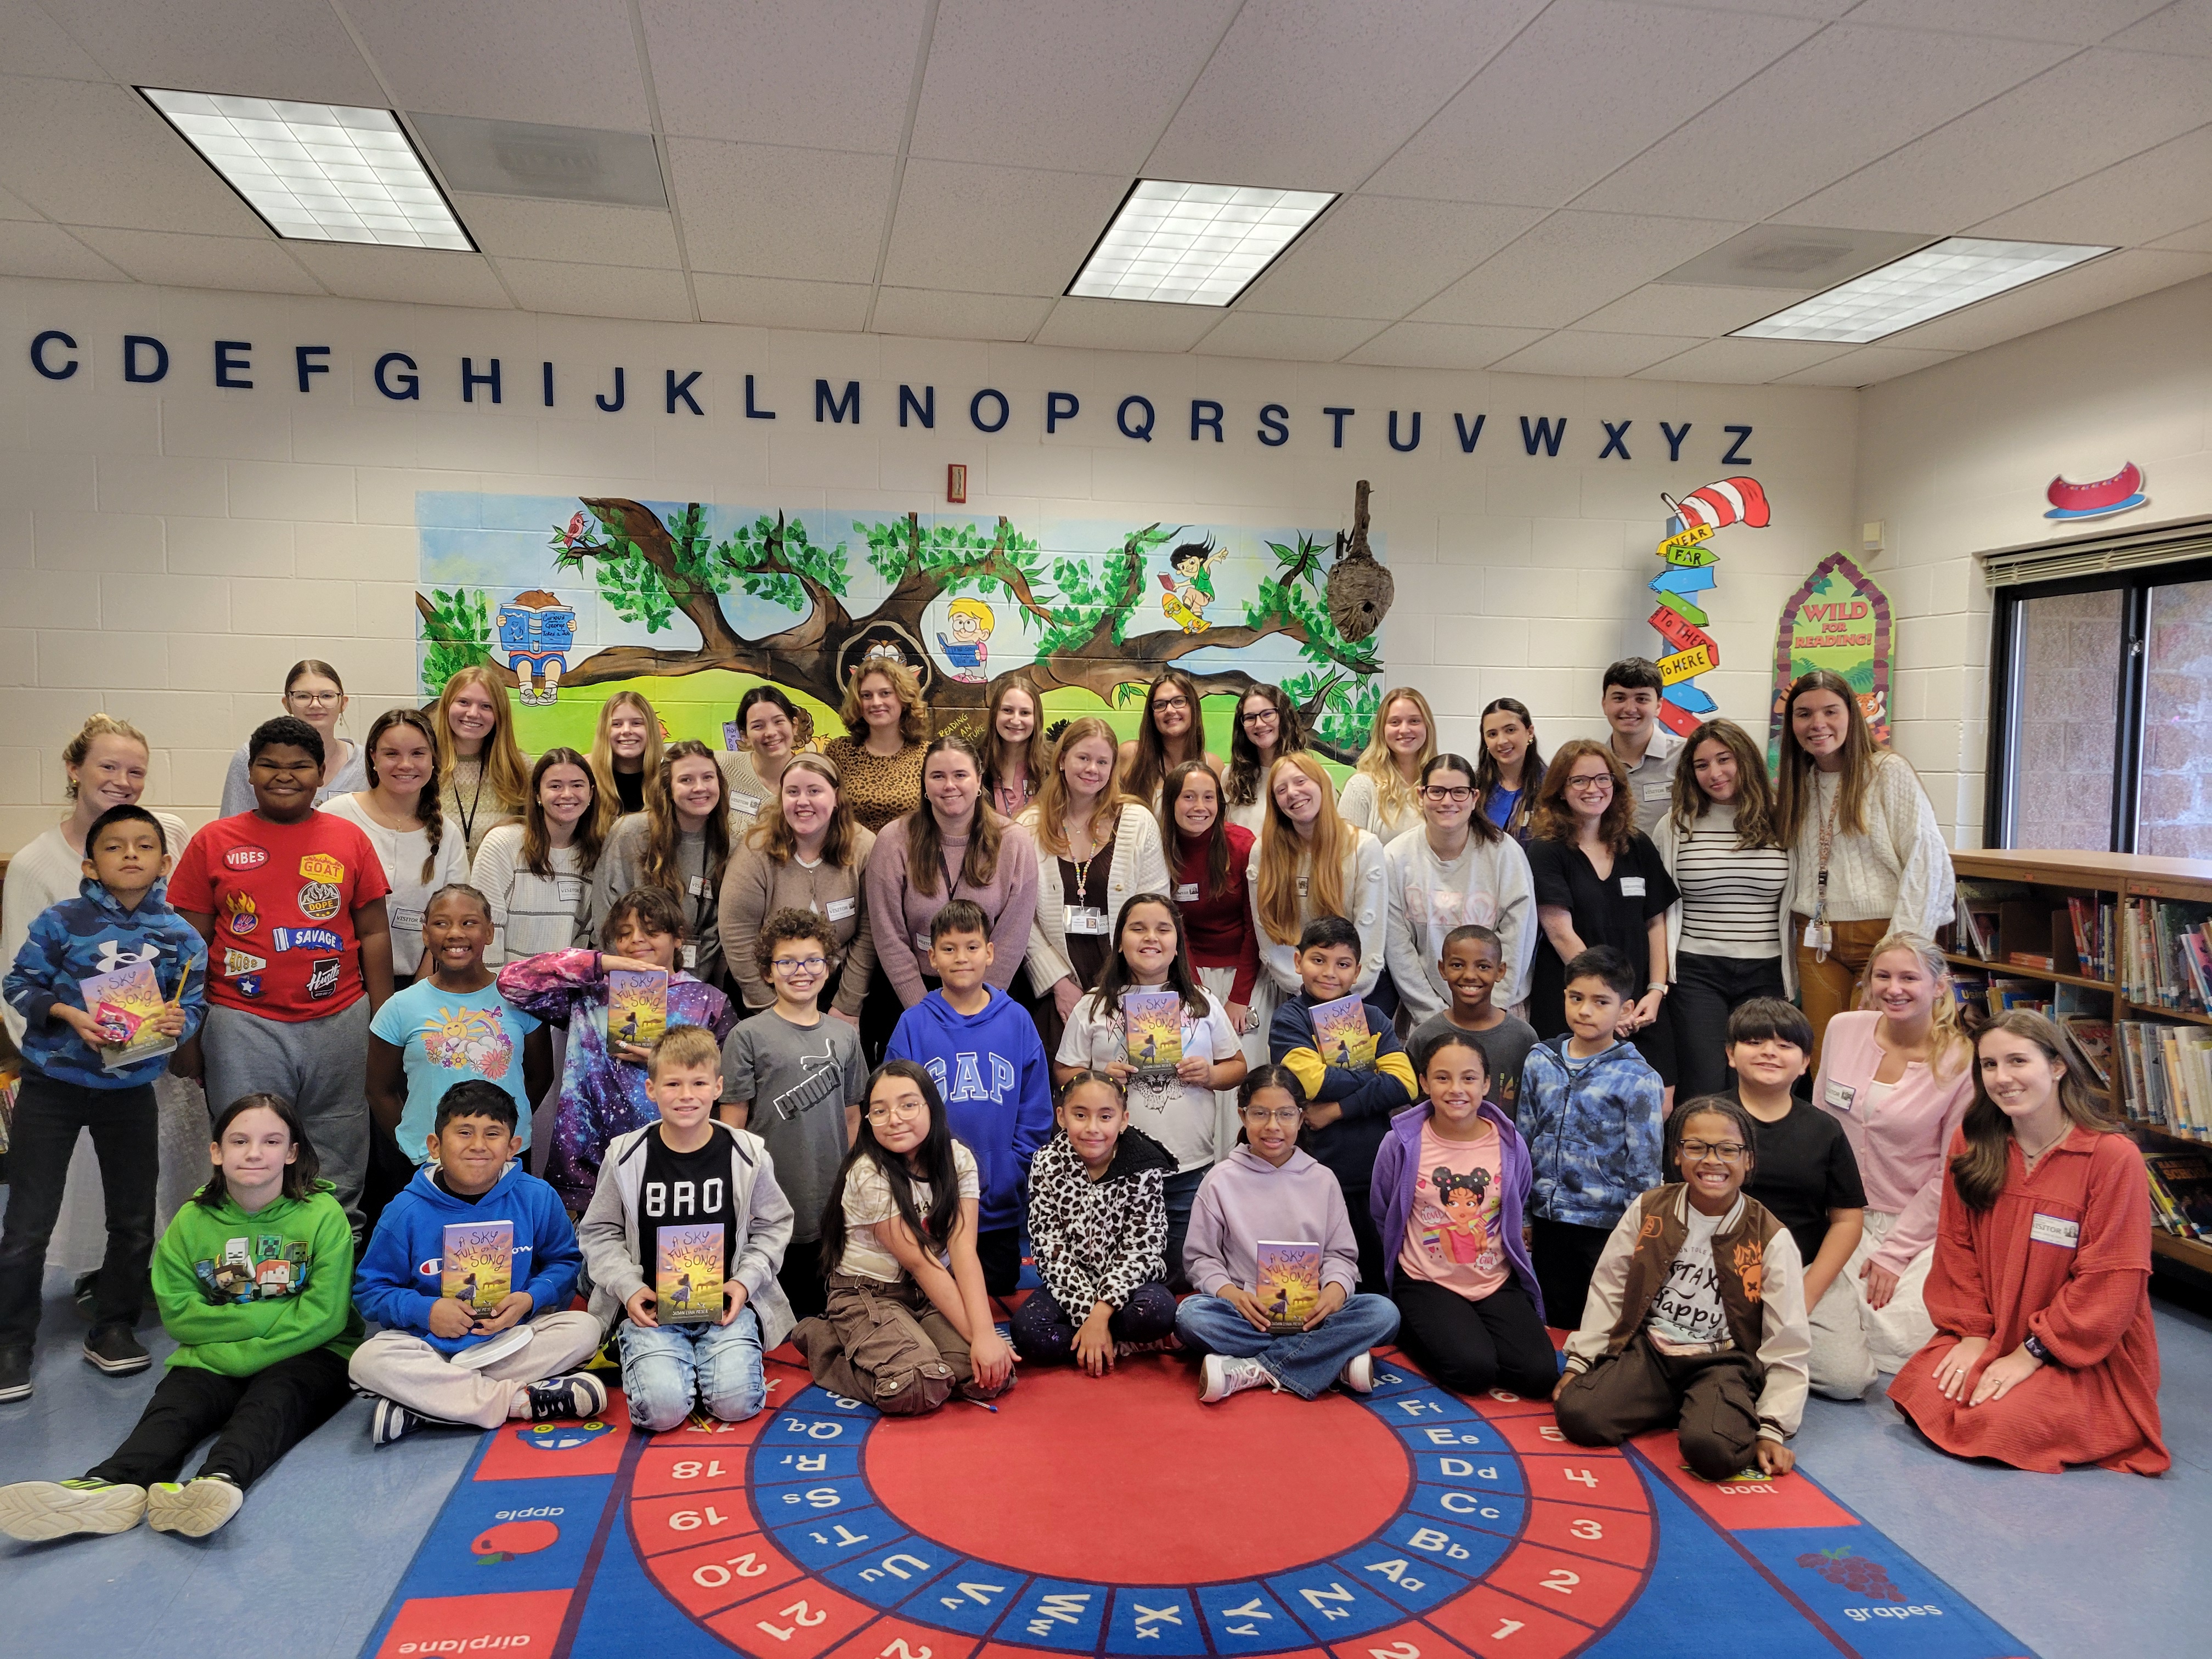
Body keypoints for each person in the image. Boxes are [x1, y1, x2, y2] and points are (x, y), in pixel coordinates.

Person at [0, 1094, 360, 1541]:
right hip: (212, 1356)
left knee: (271, 1405)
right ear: (216, 1152)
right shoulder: (192, 1221)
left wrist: (239, 1347)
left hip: (311, 1353)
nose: (253, 1152)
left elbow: (324, 1316)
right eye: (239, 1140)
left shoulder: (323, 1215)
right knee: (173, 1412)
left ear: (291, 1153)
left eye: (271, 1141)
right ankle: (110, 1485)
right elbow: (182, 1318)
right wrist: (264, 1326)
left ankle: (215, 1483)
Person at [1887, 1012, 2167, 1475]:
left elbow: (2111, 1281)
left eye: (2018, 1061)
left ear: (2057, 1066)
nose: (2003, 1078)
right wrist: (1975, 1335)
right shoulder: (1973, 1141)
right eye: (1990, 1065)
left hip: (2080, 1351)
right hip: (1995, 1330)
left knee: (1999, 1425)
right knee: (1922, 1392)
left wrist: (2030, 1355)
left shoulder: (2112, 1157)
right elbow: (1956, 1248)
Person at [0, 804, 207, 1396]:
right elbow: (19, 986)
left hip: (130, 1089)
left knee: (135, 1219)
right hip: (53, 1087)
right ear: (91, 863)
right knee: (26, 1223)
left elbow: (192, 1004)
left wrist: (176, 1020)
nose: (132, 855)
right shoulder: (61, 921)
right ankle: (11, 1340)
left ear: (165, 861)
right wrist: (68, 1013)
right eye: (115, 847)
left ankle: (113, 1326)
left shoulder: (179, 936)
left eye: (145, 845)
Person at [170, 716, 394, 1233]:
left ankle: (337, 1253)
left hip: (339, 1017)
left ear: (322, 775)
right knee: (249, 1144)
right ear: (249, 772)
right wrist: (188, 1035)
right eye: (269, 764)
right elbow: (188, 948)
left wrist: (385, 1023)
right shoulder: (213, 841)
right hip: (241, 1021)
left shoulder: (349, 839)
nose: (284, 775)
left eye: (300, 766)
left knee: (338, 1142)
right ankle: (247, 1260)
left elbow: (375, 935)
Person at [1554, 1095, 1810, 1482]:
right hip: (1652, 1351)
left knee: (1714, 1451)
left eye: (1728, 1150)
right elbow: (1610, 1287)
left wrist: (1774, 1425)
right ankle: (1675, 1401)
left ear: (1749, 1160)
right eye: (1696, 1148)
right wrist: (1581, 1360)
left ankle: (1705, 1404)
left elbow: (1787, 1338)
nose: (1712, 1160)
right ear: (1677, 1155)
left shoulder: (1770, 1237)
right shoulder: (1649, 1208)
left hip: (1723, 1361)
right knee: (1580, 1416)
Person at [348, 1080, 606, 1444]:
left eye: (493, 1134)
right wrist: (426, 1310)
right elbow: (371, 1292)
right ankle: (518, 1402)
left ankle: (426, 1405)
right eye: (464, 1132)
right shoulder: (405, 1211)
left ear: (513, 1147)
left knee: (585, 1329)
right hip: (431, 1347)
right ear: (435, 1145)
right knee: (367, 1360)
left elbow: (565, 1262)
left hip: (511, 1341)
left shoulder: (536, 1197)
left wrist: (530, 1299)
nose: (478, 1146)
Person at [580, 1025, 796, 1432]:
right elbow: (599, 1232)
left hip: (726, 1311)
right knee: (661, 1414)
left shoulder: (747, 1154)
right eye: (673, 1084)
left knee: (736, 1405)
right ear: (651, 1089)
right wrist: (628, 1288)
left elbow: (774, 1224)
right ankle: (665, 1363)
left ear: (718, 1087)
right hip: (652, 1313)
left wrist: (745, 1283)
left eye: (698, 1083)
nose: (686, 1095)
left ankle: (705, 1364)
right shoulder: (626, 1156)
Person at [788, 1060, 1017, 1414]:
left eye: (908, 1105)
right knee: (916, 1386)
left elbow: (963, 1251)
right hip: (868, 1293)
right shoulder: (868, 1172)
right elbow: (921, 1263)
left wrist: (986, 1336)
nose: (894, 1119)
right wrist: (982, 1338)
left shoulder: (958, 1159)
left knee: (986, 1377)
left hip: (928, 1293)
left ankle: (913, 1343)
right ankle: (826, 1341)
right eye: (879, 1111)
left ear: (932, 1106)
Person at [496, 887, 738, 1213]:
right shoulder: (590, 993)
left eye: (651, 931)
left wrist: (663, 1060)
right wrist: (600, 963)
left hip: (673, 1167)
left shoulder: (708, 1001)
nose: (637, 940)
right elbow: (513, 982)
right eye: (624, 934)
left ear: (679, 938)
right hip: (585, 1168)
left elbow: (727, 1083)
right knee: (582, 1262)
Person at [1175, 1066, 1402, 1402]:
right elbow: (1201, 1258)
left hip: (1313, 1315)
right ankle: (1330, 1361)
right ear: (1242, 1115)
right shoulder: (1220, 1180)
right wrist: (1231, 1295)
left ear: (1301, 1118)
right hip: (1248, 1313)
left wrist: (1336, 1292)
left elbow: (1340, 1256)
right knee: (1190, 1317)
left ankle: (1255, 1367)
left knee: (1384, 1313)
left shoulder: (1322, 1179)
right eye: (1260, 1114)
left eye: (1285, 1114)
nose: (1273, 1126)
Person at [1054, 894, 1246, 1284]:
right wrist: (1098, 1077)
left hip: (1189, 1167)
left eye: (1163, 929)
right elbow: (1063, 1070)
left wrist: (1209, 1074)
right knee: (1121, 1274)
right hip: (1115, 1168)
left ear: (1177, 943)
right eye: (1137, 928)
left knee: (1182, 1276)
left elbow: (1238, 1067)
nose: (1151, 938)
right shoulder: (1094, 1006)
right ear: (1120, 941)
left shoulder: (1202, 1002)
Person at [1810, 932, 1976, 1375]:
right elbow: (1819, 1125)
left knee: (1903, 1336)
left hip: (1917, 1223)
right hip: (1841, 1214)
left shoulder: (1963, 1062)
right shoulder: (1845, 1029)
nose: (1893, 989)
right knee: (1833, 1318)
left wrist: (1896, 1252)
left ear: (1939, 985)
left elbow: (1952, 1172)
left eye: (1909, 978)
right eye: (1882, 976)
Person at [1776, 669, 1954, 1066]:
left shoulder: (1887, 771)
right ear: (1791, 724)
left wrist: (1902, 951)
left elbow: (1927, 861)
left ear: (1852, 717)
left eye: (1830, 712)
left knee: (1877, 1058)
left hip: (1884, 936)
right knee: (1825, 1063)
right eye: (1804, 714)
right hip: (1817, 941)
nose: (1817, 724)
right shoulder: (1797, 782)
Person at [1372, 1032, 1555, 1397]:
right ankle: (1414, 1324)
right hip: (1427, 1280)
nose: (1456, 1089)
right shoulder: (1401, 1143)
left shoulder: (1509, 1142)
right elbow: (1382, 1210)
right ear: (1424, 1082)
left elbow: (1517, 1198)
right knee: (1473, 1371)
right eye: (1442, 1078)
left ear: (1486, 1084)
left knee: (1539, 1375)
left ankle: (1468, 1330)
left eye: (1469, 1078)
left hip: (1493, 1279)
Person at [885, 901, 1053, 1297]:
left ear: (990, 953)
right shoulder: (913, 1024)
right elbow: (895, 1110)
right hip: (932, 1207)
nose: (961, 958)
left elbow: (1036, 1111)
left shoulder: (1016, 1020)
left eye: (972, 947)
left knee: (997, 1294)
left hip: (997, 1206)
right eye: (949, 949)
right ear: (932, 957)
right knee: (932, 1299)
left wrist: (1011, 1169)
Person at [718, 909, 866, 1321]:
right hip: (770, 1201)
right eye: (787, 962)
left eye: (812, 960)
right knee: (778, 1323)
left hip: (829, 1201)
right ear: (768, 971)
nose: (801, 971)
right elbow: (733, 1126)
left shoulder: (845, 1037)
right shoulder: (747, 1036)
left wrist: (848, 1183)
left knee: (825, 1315)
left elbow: (853, 1117)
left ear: (829, 967)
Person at [1729, 998, 1874, 1401]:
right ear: (1730, 1054)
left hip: (1803, 1270)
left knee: (1849, 1381)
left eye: (1785, 1045)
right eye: (1755, 1041)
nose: (1770, 1052)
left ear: (1806, 1061)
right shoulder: (1705, 1119)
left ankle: (1768, 1353)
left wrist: (1807, 1293)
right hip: (1722, 1269)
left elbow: (1847, 1220)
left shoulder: (1824, 1130)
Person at [1269, 916, 1417, 1295]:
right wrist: (1373, 1075)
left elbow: (1405, 1084)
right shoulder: (1290, 1020)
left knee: (1379, 1276)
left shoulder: (1373, 1017)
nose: (1330, 973)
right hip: (1316, 1169)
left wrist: (1335, 1110)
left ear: (1358, 970)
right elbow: (1311, 1081)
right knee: (1315, 1280)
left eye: (1343, 964)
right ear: (1298, 961)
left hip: (1373, 1171)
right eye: (1319, 960)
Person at [1520, 946, 1664, 1327]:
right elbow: (1522, 1140)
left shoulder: (1639, 1078)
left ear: (1626, 1009)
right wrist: (1522, 1214)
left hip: (1605, 1226)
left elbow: (1645, 1170)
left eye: (1601, 1001)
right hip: (1546, 1217)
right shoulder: (1540, 1059)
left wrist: (1638, 1235)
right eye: (1576, 998)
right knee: (1550, 1318)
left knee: (1600, 1321)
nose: (1585, 1010)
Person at [1526, 740, 1678, 1093]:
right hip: (1578, 1000)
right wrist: (1606, 1003)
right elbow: (1560, 932)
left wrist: (1656, 990)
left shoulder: (1636, 844)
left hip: (1639, 1002)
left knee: (1662, 1099)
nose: (1593, 789)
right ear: (1561, 791)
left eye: (1603, 778)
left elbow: (1656, 921)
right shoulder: (1546, 850)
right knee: (1585, 1103)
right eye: (1579, 781)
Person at [367, 884, 552, 1171]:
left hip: (505, 1158)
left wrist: (507, 1131)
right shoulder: (400, 1007)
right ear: (426, 933)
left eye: (469, 923)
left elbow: (540, 1077)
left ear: (490, 932)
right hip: (428, 1161)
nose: (455, 933)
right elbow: (379, 1091)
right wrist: (411, 1145)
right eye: (442, 924)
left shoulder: (520, 999)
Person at [1656, 718, 1793, 1099]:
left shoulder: (1782, 820)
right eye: (1702, 765)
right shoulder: (1676, 825)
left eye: (1724, 759)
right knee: (1705, 1083)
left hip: (1766, 970)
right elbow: (1660, 906)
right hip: (1698, 970)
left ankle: (1756, 1160)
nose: (1714, 774)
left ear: (1745, 760)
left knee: (1756, 1082)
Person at [865, 734, 1040, 1027]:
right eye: (938, 776)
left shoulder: (1014, 842)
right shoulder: (893, 841)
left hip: (988, 998)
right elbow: (888, 935)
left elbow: (1012, 938)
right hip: (910, 997)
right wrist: (923, 1013)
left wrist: (982, 1008)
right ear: (924, 784)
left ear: (979, 779)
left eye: (960, 775)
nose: (949, 786)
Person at [1020, 716, 1171, 1052]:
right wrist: (1058, 982)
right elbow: (1020, 918)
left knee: (1140, 1090)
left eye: (1103, 762)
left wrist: (1133, 981)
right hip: (1059, 990)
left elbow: (1158, 910)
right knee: (1067, 1093)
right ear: (1062, 760)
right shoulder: (1028, 827)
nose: (1093, 769)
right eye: (1083, 758)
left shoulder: (1137, 821)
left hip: (1134, 983)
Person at [1011, 1072, 1178, 1371]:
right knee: (1027, 1331)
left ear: (1123, 1120)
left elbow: (1143, 1250)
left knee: (1159, 1311)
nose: (1092, 1128)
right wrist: (1090, 1316)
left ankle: (1094, 1342)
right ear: (1061, 1117)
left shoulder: (1144, 1165)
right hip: (1069, 1287)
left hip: (1128, 1288)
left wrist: (1102, 1314)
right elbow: (1049, 1249)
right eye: (1080, 1115)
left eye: (1105, 1117)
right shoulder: (1047, 1163)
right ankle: (1109, 1344)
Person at [719, 753, 874, 1024]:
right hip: (765, 992)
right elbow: (738, 934)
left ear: (836, 797)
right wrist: (771, 1010)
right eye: (793, 792)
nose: (803, 801)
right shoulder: (756, 850)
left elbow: (869, 932)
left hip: (837, 991)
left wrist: (848, 1005)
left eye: (815, 791)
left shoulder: (863, 847)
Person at [1385, 751, 1537, 1026]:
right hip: (1423, 1014)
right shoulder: (1396, 857)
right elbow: (1399, 950)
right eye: (1437, 791)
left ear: (1474, 797)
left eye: (1458, 792)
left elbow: (1518, 940)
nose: (1447, 801)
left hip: (1500, 1012)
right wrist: (1433, 1016)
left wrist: (1491, 1013)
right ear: (1421, 796)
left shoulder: (1505, 854)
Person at [321, 708, 470, 985]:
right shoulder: (335, 817)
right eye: (392, 754)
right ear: (373, 758)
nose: (405, 764)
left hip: (415, 981)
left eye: (418, 753)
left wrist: (419, 991)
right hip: (337, 982)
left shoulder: (447, 835)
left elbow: (450, 922)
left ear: (433, 760)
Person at [1162, 760, 1266, 1150]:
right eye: (1188, 797)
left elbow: (1256, 925)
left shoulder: (1243, 845)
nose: (1199, 806)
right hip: (1188, 978)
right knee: (1195, 1075)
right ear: (1172, 802)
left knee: (1240, 1076)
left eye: (1209, 797)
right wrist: (1197, 992)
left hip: (1245, 977)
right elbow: (1176, 927)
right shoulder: (1162, 849)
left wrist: (1239, 997)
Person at [590, 740, 738, 988]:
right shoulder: (632, 834)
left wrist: (685, 985)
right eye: (686, 780)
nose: (700, 788)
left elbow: (717, 931)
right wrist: (629, 975)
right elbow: (607, 912)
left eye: (708, 778)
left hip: (693, 985)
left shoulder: (729, 848)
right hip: (628, 983)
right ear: (668, 787)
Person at [1250, 753, 1387, 1001]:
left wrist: (1342, 990)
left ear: (1322, 784)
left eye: (1301, 782)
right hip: (1295, 991)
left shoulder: (1364, 848)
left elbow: (1370, 934)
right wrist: (1305, 990)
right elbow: (1269, 934)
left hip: (1356, 993)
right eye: (1281, 789)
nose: (1292, 793)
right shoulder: (1263, 853)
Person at [472, 747, 604, 967]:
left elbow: (583, 941)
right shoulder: (504, 844)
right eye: (555, 786)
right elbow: (485, 929)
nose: (567, 794)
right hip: (503, 993)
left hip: (561, 993)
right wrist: (495, 994)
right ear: (537, 794)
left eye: (577, 785)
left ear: (590, 794)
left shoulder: (594, 856)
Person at [1407, 925, 1540, 1119]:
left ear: (1500, 971)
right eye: (1457, 965)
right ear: (1442, 969)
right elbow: (1413, 1108)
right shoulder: (1424, 1036)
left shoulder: (1523, 1037)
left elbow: (1532, 1106)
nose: (1470, 975)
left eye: (1483, 966)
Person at [217, 659, 366, 817]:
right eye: (303, 696)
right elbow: (232, 829)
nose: (315, 704)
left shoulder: (366, 762)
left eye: (327, 696)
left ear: (343, 703)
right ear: (287, 703)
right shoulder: (252, 755)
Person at [432, 665, 530, 860]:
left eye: (486, 706)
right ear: (447, 706)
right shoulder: (425, 764)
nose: (473, 713)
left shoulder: (520, 768)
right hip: (436, 887)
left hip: (497, 887)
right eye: (464, 702)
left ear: (499, 714)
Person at [824, 657, 929, 833]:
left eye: (885, 693)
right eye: (866, 696)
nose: (876, 703)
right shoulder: (838, 751)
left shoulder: (927, 754)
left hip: (910, 857)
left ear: (903, 698)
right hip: (852, 856)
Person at [1338, 686, 1437, 844]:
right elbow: (1346, 855)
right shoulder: (1361, 787)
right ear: (1382, 730)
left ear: (1427, 727)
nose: (1404, 730)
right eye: (1395, 722)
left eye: (1414, 721)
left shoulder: (1441, 787)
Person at [1119, 669, 1224, 809]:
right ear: (1152, 714)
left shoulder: (1213, 765)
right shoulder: (1131, 755)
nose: (1170, 710)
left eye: (1179, 701)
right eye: (1160, 705)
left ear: (1193, 708)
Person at [1600, 656, 1681, 837]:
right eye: (1619, 698)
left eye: (1642, 699)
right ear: (1604, 704)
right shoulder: (1592, 763)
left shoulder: (1687, 757)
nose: (1630, 708)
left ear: (1659, 706)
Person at [1222, 683, 1306, 835]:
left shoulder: (1311, 776)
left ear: (1283, 717)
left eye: (1267, 714)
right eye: (1250, 718)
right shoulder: (1230, 778)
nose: (1259, 724)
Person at [719, 684, 805, 825]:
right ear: (745, 736)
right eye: (758, 726)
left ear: (794, 726)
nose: (770, 733)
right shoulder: (722, 768)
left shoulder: (813, 778)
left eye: (779, 721)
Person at [1474, 697, 1544, 842]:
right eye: (1492, 734)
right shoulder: (1475, 788)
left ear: (1529, 732)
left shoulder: (1551, 788)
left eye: (1510, 730)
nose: (1502, 741)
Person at [589, 689, 664, 818]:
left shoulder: (668, 778)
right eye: (616, 724)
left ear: (651, 729)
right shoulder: (588, 778)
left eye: (637, 723)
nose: (626, 731)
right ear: (604, 730)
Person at [981, 678, 1048, 820]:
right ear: (995, 714)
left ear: (1037, 718)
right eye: (1007, 710)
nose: (1016, 720)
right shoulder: (976, 764)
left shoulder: (1053, 766)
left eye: (1025, 713)